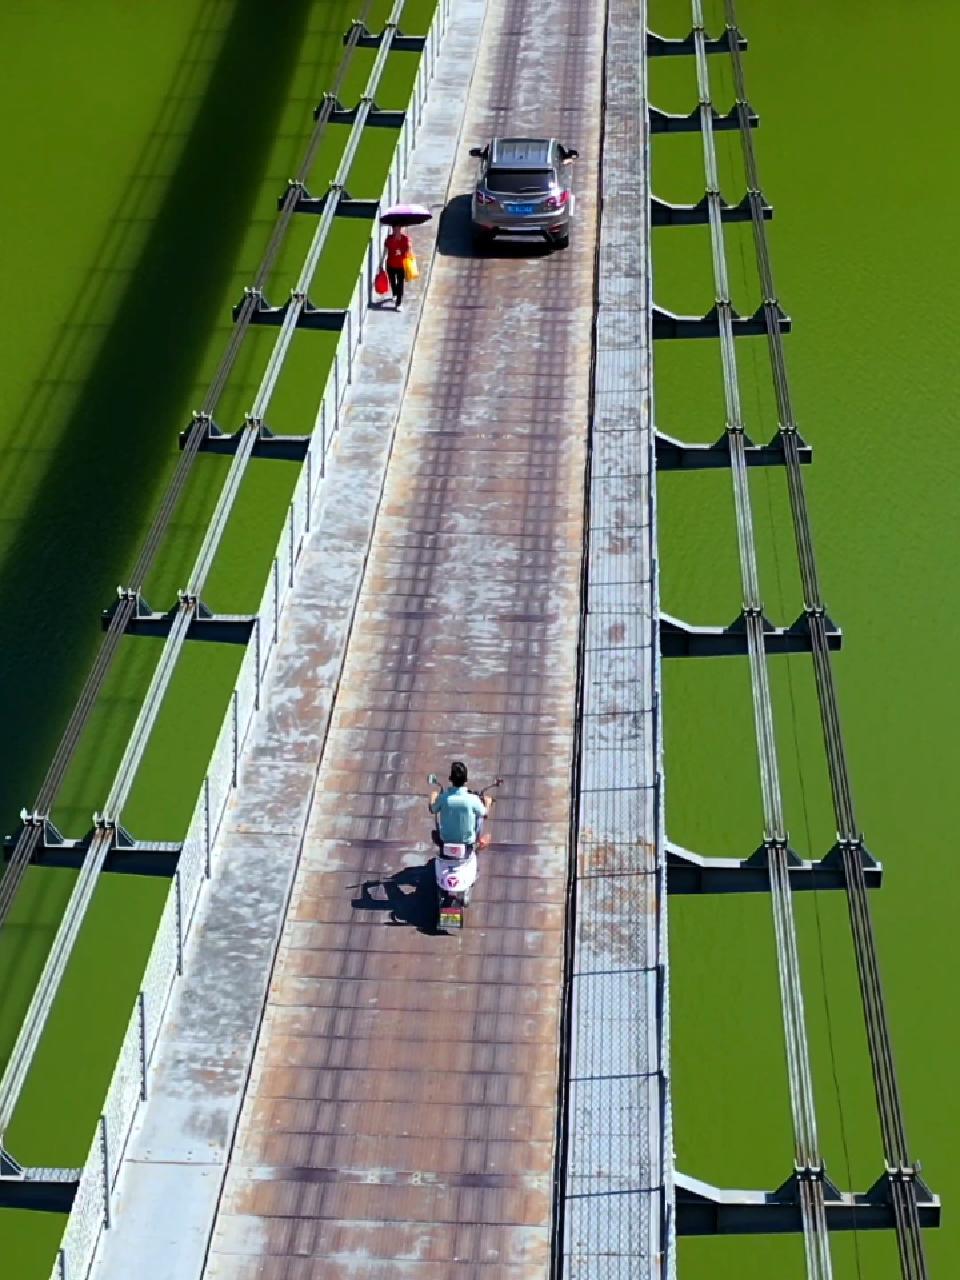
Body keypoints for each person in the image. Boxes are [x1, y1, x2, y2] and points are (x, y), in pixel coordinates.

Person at [428, 761, 491, 850]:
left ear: (450, 779)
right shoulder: (473, 799)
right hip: (467, 844)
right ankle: (478, 846)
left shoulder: (443, 798)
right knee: (487, 835)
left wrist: (432, 797)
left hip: (446, 842)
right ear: (466, 780)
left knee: (435, 833)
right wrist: (488, 802)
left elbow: (433, 809)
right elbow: (484, 813)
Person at [382, 225, 412, 311]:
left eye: (397, 229)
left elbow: (409, 251)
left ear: (400, 229)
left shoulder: (405, 239)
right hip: (390, 265)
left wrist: (407, 248)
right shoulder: (389, 239)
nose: (395, 231)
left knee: (400, 283)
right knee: (392, 281)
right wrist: (381, 264)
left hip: (401, 266)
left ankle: (398, 303)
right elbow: (385, 251)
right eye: (394, 229)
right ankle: (394, 293)